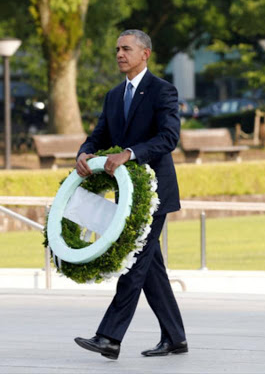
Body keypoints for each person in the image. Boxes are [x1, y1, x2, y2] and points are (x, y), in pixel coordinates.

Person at [73, 29, 187, 360]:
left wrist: (129, 153)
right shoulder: (113, 96)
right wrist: (84, 152)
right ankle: (175, 338)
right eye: (117, 49)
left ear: (145, 54)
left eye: (126, 49)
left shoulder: (162, 91)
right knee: (150, 268)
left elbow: (169, 137)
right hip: (127, 196)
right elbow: (98, 135)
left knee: (134, 263)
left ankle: (109, 337)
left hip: (155, 194)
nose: (120, 54)